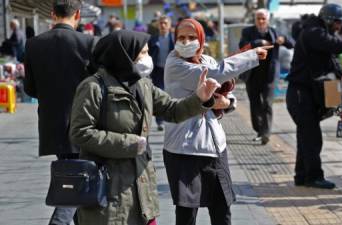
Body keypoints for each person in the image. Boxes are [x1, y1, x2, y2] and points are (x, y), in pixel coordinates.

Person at [69, 30, 221, 225]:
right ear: (124, 54)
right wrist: (129, 144)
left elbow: (172, 110)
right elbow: (80, 133)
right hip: (108, 189)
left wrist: (200, 98)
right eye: (143, 53)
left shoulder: (143, 84)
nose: (148, 59)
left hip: (142, 188)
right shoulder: (93, 87)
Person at [163, 18, 270, 225]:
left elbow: (228, 95)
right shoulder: (174, 64)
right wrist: (251, 56)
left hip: (215, 148)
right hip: (185, 150)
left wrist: (225, 101)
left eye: (192, 37)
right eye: (181, 38)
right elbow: (214, 75)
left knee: (222, 209)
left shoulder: (207, 60)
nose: (186, 42)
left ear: (202, 40)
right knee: (186, 213)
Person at [285, 3, 342, 189]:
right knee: (312, 138)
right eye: (337, 23)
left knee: (305, 137)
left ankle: (301, 176)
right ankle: (314, 177)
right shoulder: (313, 32)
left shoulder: (318, 32)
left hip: (305, 94)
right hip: (300, 94)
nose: (339, 26)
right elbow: (336, 47)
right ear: (328, 19)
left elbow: (330, 57)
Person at [23, 0, 94, 224]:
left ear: (52, 14)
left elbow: (30, 88)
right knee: (77, 182)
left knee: (75, 179)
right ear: (78, 15)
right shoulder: (89, 43)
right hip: (84, 122)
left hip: (52, 124)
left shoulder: (34, 44)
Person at [239, 8, 294, 145]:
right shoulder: (248, 32)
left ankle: (266, 133)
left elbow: (292, 43)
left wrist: (284, 39)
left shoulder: (274, 32)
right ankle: (259, 128)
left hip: (269, 75)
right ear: (255, 20)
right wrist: (260, 43)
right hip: (252, 74)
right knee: (255, 103)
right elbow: (243, 45)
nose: (261, 21)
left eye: (263, 18)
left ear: (268, 20)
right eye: (258, 18)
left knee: (267, 103)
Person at [148, 15, 174, 131]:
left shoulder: (174, 39)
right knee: (159, 95)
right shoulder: (153, 39)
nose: (163, 25)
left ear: (169, 25)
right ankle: (160, 121)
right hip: (157, 71)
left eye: (165, 23)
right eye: (161, 23)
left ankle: (172, 118)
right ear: (158, 25)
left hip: (171, 71)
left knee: (171, 95)